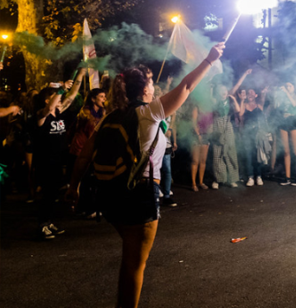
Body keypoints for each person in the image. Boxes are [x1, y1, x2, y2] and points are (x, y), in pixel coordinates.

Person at [68, 43, 224, 308]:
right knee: (134, 264)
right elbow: (186, 86)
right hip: (138, 194)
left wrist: (73, 187)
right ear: (144, 90)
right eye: (151, 83)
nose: (155, 87)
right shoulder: (149, 113)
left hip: (109, 196)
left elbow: (84, 155)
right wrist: (209, 60)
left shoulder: (109, 117)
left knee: (130, 258)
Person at [34, 69, 86, 239]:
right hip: (45, 161)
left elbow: (72, 96)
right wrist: (61, 89)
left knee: (54, 193)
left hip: (58, 159)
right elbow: (49, 107)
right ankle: (42, 225)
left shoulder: (60, 112)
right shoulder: (41, 115)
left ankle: (49, 222)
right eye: (56, 96)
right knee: (47, 193)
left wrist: (80, 75)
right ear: (47, 99)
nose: (61, 99)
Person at [68, 87, 106, 216]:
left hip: (89, 150)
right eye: (101, 97)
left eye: (105, 96)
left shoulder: (101, 112)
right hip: (80, 149)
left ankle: (84, 206)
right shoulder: (86, 113)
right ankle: (82, 207)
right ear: (93, 99)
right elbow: (92, 133)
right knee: (83, 179)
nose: (104, 99)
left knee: (89, 179)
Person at [210, 84, 241, 189]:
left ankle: (232, 179)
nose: (223, 91)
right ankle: (218, 179)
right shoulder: (215, 101)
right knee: (217, 153)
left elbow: (238, 110)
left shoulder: (230, 101)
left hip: (228, 126)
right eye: (221, 90)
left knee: (230, 152)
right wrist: (210, 88)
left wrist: (234, 99)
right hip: (217, 126)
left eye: (225, 89)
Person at [239, 87, 268, 186]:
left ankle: (258, 176)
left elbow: (263, 99)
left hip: (258, 133)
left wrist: (263, 93)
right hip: (247, 133)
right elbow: (240, 115)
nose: (250, 94)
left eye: (252, 93)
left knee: (258, 155)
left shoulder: (259, 105)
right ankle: (250, 177)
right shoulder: (244, 105)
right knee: (248, 155)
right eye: (248, 93)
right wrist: (242, 100)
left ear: (256, 95)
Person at [277, 82, 296, 186]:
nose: (288, 88)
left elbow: (295, 104)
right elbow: (277, 107)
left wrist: (287, 93)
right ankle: (287, 177)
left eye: (290, 86)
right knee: (286, 151)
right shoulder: (283, 98)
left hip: (295, 123)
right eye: (286, 86)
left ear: (294, 87)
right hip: (284, 123)